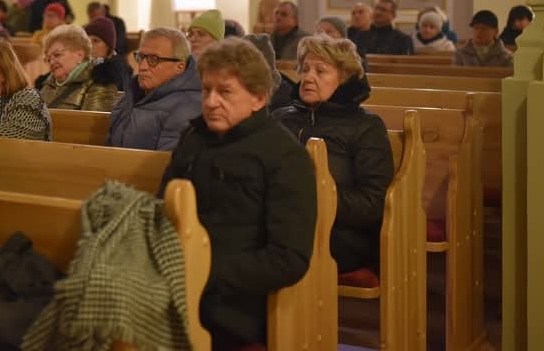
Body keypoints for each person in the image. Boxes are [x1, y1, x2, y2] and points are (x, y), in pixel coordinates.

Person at [158, 38, 316, 348]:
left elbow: (288, 258)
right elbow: (162, 207)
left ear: (258, 98)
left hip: (234, 303)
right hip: (175, 282)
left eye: (225, 92)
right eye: (206, 90)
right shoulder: (194, 137)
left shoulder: (285, 156)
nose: (211, 102)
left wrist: (203, 269)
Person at [273, 35, 393, 274]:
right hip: (281, 222)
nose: (308, 77)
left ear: (344, 77)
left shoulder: (366, 126)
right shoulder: (280, 118)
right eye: (305, 69)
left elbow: (373, 204)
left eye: (320, 71)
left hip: (341, 234)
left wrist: (317, 194)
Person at [107, 28, 201, 151]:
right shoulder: (131, 95)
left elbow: (167, 160)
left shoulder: (189, 108)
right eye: (141, 57)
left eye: (154, 59)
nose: (142, 67)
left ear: (179, 67)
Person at [38, 25, 119, 112]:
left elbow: (94, 120)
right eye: (48, 59)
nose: (52, 62)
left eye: (57, 55)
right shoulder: (48, 85)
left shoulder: (101, 80)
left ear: (80, 54)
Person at [84, 16, 132, 91]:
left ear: (108, 47)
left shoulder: (111, 74)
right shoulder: (82, 66)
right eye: (87, 41)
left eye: (96, 41)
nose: (89, 46)